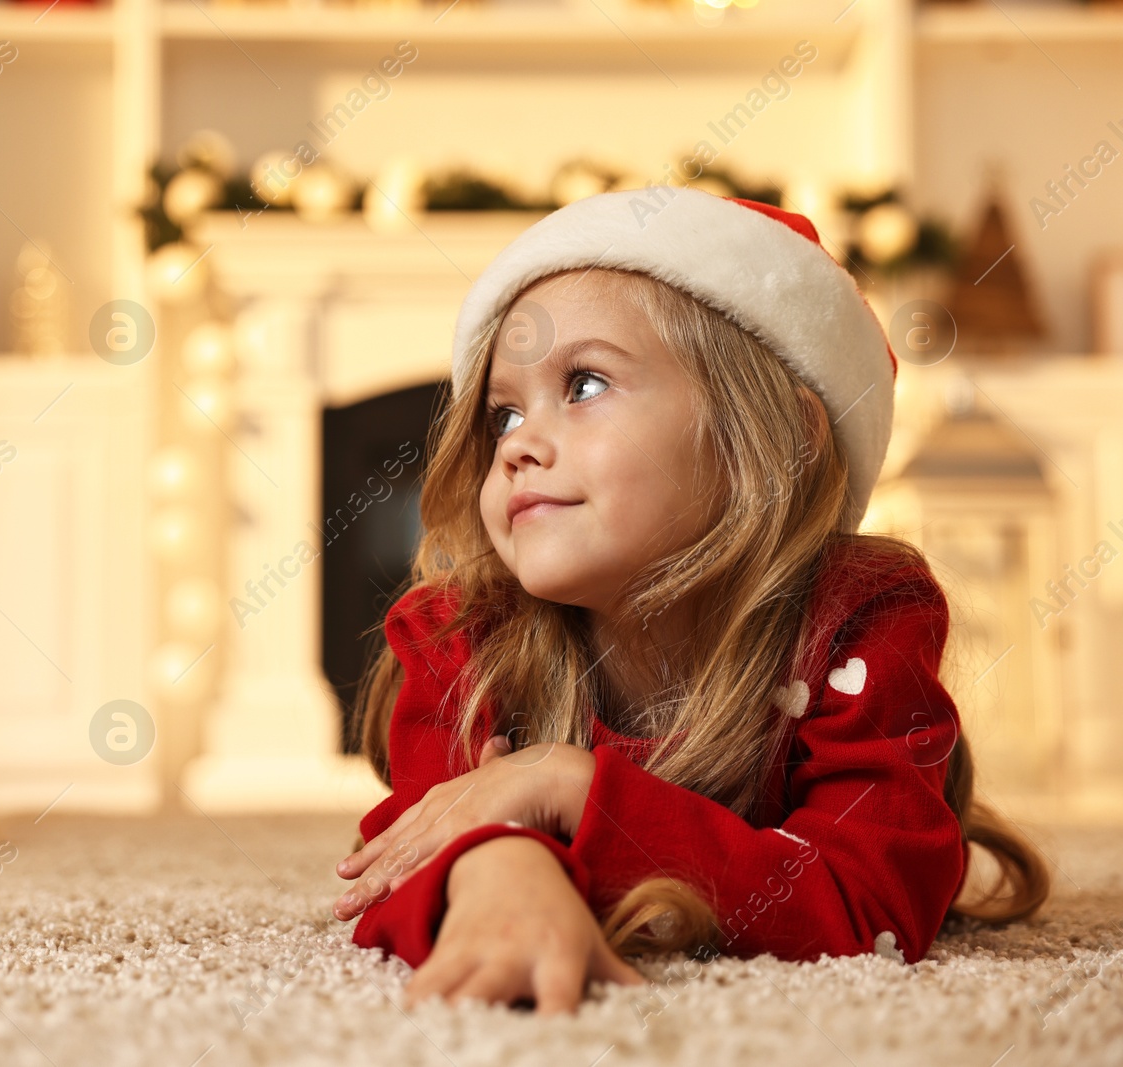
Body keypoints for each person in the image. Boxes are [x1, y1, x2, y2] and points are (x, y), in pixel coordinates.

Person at [330, 187, 1050, 1014]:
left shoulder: (858, 619)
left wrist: (571, 785)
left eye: (587, 382)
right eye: (502, 415)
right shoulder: (462, 631)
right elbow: (405, 851)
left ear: (769, 441)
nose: (521, 443)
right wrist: (504, 867)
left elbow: (870, 908)